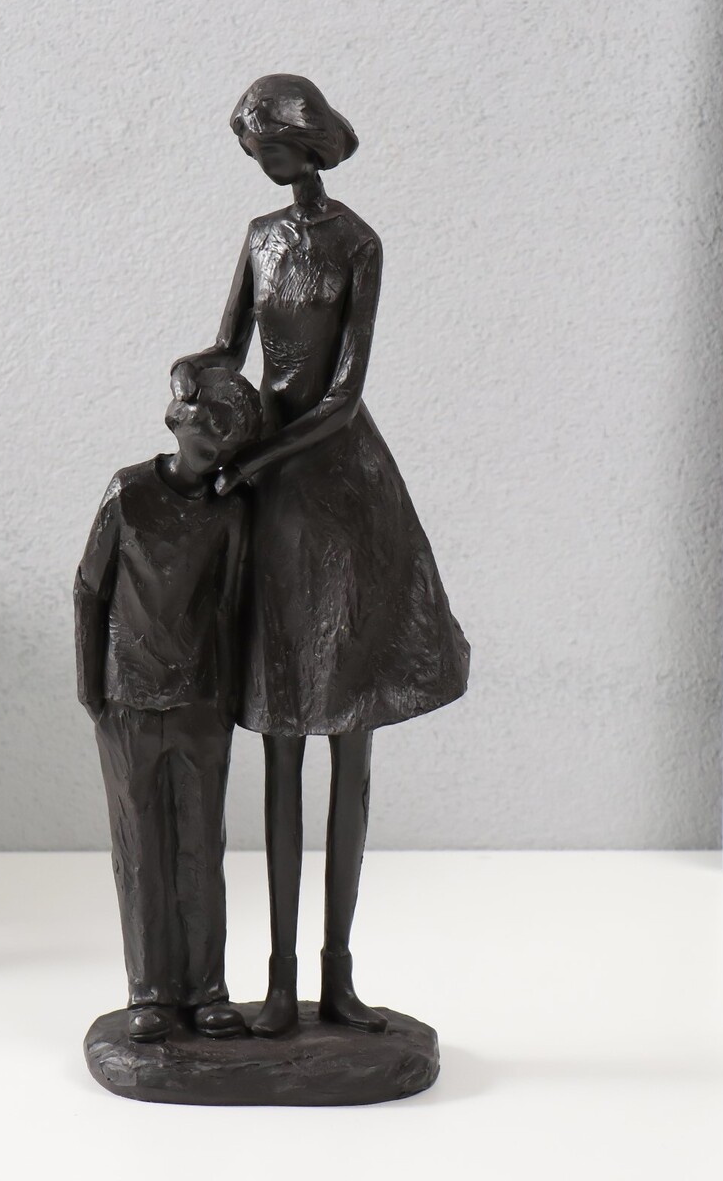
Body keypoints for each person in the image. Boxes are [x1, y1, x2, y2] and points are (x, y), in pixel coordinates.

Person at [171, 75, 471, 1038]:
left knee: (348, 740)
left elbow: (341, 396)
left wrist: (256, 461)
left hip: (340, 492)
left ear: (304, 144)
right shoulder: (261, 236)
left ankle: (338, 977)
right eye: (250, 149)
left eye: (266, 146)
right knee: (280, 733)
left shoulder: (357, 243)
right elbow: (228, 348)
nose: (257, 162)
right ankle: (280, 980)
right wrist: (192, 380)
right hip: (275, 492)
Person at [74, 368, 261, 1044]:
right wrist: (90, 685)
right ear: (181, 421)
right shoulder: (129, 492)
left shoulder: (231, 510)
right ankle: (149, 991)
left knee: (201, 849)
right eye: (211, 427)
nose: (218, 444)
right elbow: (90, 589)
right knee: (140, 847)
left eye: (232, 437)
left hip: (202, 703)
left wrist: (230, 698)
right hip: (127, 699)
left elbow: (234, 606)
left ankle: (207, 990)